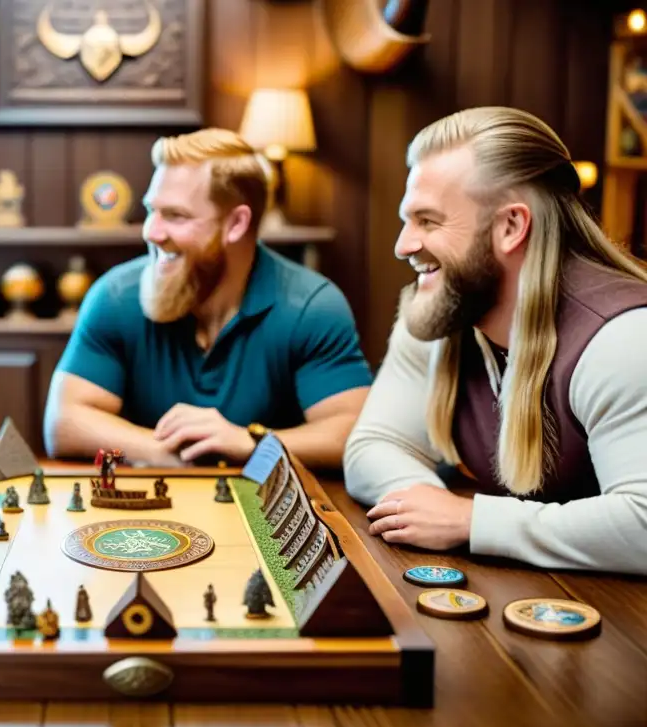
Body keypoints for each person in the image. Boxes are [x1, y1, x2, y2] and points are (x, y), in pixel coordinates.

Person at [344, 106, 647, 575]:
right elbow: (374, 444)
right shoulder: (443, 308)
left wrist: (471, 521)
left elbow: (642, 524)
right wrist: (427, 507)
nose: (403, 245)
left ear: (510, 227)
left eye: (428, 220)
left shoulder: (623, 338)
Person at [43, 128, 372, 469]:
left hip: (264, 513)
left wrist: (248, 442)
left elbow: (350, 433)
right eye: (151, 210)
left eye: (176, 216)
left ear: (236, 224)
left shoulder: (311, 306)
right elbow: (63, 423)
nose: (151, 232)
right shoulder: (115, 295)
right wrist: (162, 453)